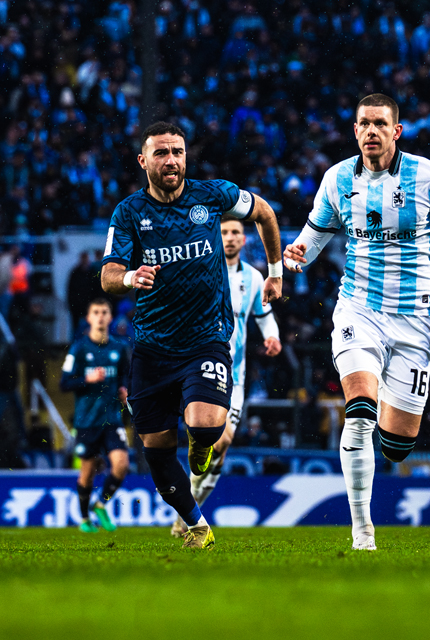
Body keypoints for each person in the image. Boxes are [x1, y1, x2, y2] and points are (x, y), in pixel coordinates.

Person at [284, 94, 430, 551]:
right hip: (359, 309)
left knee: (397, 444)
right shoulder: (337, 179)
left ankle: (390, 440)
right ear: (355, 130)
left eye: (380, 124)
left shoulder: (429, 177)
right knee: (358, 414)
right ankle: (362, 532)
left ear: (396, 131)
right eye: (364, 124)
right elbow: (313, 238)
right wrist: (297, 254)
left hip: (417, 319)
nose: (371, 131)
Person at [101, 121, 282, 550]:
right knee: (157, 451)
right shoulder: (129, 213)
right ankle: (198, 527)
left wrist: (275, 272)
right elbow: (108, 275)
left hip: (206, 338)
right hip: (152, 347)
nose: (171, 160)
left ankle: (201, 444)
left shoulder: (212, 195)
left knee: (205, 425)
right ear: (143, 160)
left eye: (178, 152)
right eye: (162, 153)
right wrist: (129, 277)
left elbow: (265, 213)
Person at [171, 217, 282, 537]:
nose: (230, 237)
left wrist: (272, 336)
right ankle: (189, 512)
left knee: (220, 447)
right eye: (224, 232)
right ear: (215, 237)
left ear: (244, 240)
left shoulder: (254, 277)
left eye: (235, 232)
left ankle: (187, 512)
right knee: (218, 441)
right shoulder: (199, 271)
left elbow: (264, 315)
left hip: (235, 374)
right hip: (201, 369)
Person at [60, 298, 130, 533]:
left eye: (104, 312)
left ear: (110, 317)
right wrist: (86, 379)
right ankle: (84, 519)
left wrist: (124, 389)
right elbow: (64, 384)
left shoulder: (120, 347)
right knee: (87, 473)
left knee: (121, 465)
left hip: (111, 419)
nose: (100, 316)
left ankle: (100, 504)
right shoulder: (79, 349)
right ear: (88, 318)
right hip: (87, 421)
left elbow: (125, 376)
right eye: (96, 312)